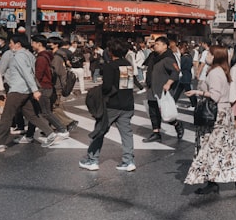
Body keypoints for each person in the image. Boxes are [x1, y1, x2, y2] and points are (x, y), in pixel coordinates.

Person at [185, 46, 236, 195]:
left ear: (215, 56)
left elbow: (215, 96)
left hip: (216, 115)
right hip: (224, 113)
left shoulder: (214, 72)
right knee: (225, 146)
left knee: (210, 147)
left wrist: (197, 91)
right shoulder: (223, 70)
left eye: (209, 54)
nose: (206, 56)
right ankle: (218, 179)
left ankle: (214, 181)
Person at [0, 34, 59, 152]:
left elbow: (26, 73)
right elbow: (32, 72)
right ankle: (50, 134)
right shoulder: (29, 54)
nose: (10, 45)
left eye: (11, 43)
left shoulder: (19, 56)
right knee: (31, 115)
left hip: (18, 89)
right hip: (26, 90)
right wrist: (32, 89)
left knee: (6, 116)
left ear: (18, 44)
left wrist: (35, 90)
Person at [79, 39, 137, 171]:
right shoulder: (127, 65)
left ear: (110, 51)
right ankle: (128, 161)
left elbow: (106, 87)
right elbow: (126, 85)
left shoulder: (110, 66)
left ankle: (92, 160)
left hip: (112, 105)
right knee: (126, 133)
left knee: (99, 130)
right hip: (127, 103)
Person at [144, 36, 184, 143]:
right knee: (153, 111)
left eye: (158, 44)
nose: (155, 46)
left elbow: (176, 72)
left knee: (164, 113)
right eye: (155, 44)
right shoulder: (153, 56)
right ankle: (156, 133)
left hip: (162, 90)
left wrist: (169, 83)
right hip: (152, 89)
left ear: (165, 46)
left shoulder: (168, 58)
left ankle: (177, 124)